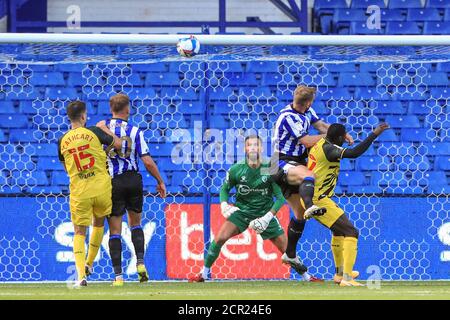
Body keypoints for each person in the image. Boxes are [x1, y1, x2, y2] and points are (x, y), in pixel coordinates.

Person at [189, 135, 322, 282]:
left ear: (261, 148)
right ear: (245, 148)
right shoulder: (236, 169)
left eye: (256, 145)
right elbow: (224, 189)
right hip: (242, 212)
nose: (253, 147)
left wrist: (267, 217)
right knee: (219, 238)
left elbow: (279, 198)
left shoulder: (270, 167)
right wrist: (224, 204)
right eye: (249, 145)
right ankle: (204, 274)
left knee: (287, 250)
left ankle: (307, 277)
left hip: (265, 214)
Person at [270, 85, 355, 273]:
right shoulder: (288, 117)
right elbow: (307, 141)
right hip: (280, 162)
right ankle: (311, 206)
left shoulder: (306, 110)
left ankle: (290, 253)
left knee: (298, 215)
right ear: (308, 102)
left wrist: (337, 134)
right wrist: (331, 137)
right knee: (309, 176)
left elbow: (322, 126)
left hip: (294, 162)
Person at [92, 93, 167, 286]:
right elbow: (148, 162)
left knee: (115, 230)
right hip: (133, 180)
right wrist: (160, 181)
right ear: (128, 110)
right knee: (135, 224)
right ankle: (140, 263)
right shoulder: (136, 131)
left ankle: (118, 277)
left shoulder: (101, 129)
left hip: (113, 182)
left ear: (111, 109)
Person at [306, 122, 390, 286]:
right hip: (317, 198)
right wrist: (374, 134)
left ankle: (339, 274)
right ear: (338, 137)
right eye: (343, 137)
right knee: (351, 232)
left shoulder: (321, 144)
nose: (345, 140)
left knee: (339, 232)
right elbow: (354, 153)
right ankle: (347, 278)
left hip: (317, 196)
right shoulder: (329, 150)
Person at [58, 101, 121, 287]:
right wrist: (105, 128)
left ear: (69, 118)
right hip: (101, 188)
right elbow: (118, 144)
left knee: (79, 232)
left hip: (80, 191)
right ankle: (89, 264)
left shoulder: (62, 140)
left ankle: (80, 277)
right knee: (99, 222)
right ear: (84, 116)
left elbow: (66, 168)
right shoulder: (94, 131)